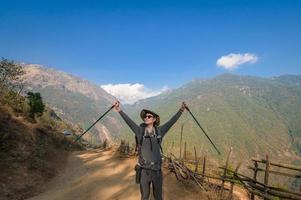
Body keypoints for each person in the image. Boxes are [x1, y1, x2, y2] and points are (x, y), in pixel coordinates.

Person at [113, 100, 187, 200]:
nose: (146, 118)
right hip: (144, 171)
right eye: (145, 116)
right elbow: (129, 121)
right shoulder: (140, 131)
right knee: (144, 197)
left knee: (158, 197)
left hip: (157, 171)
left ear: (154, 119)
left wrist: (181, 110)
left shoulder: (160, 131)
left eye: (149, 116)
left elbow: (171, 122)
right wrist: (118, 109)